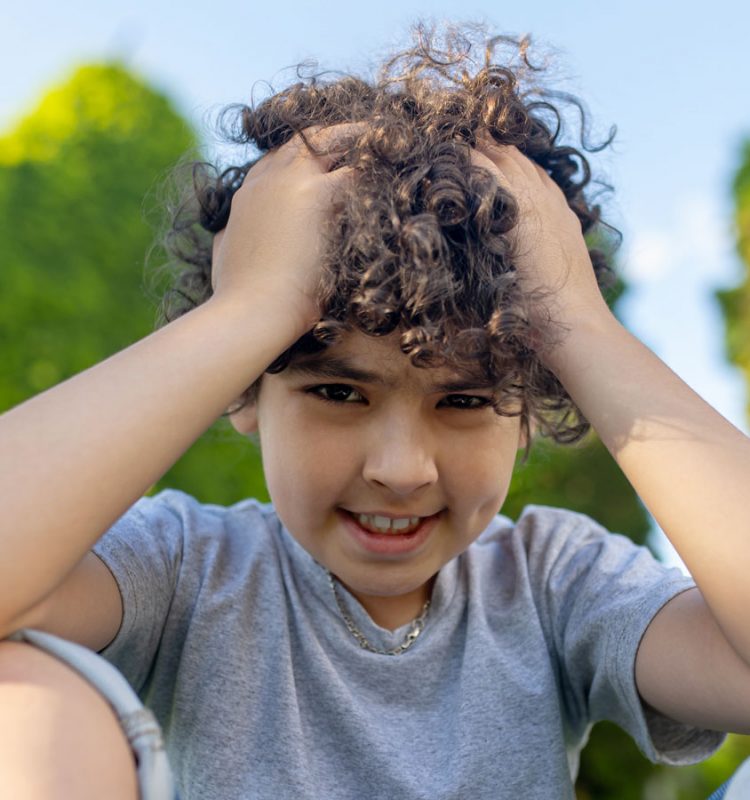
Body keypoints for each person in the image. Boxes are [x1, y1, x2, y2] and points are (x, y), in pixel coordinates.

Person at [1, 24, 749, 800]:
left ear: (527, 412)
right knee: (20, 703)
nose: (401, 469)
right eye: (337, 392)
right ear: (245, 389)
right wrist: (249, 311)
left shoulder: (555, 583)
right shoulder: (185, 570)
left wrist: (579, 325)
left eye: (463, 400)